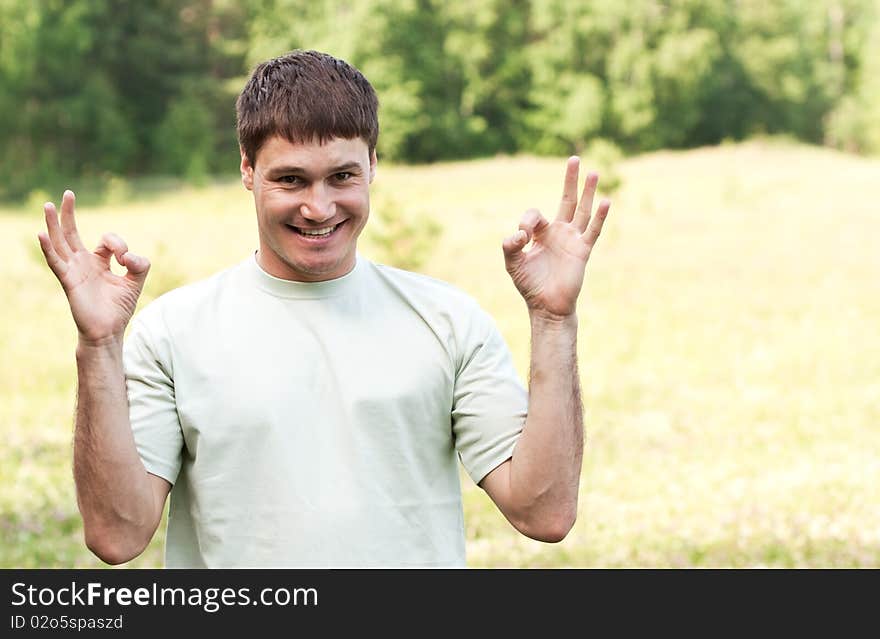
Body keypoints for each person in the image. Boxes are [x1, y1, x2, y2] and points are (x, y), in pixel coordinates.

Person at [37, 50, 611, 568]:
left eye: (342, 177)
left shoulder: (448, 321)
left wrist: (554, 318)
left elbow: (545, 514)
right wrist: (98, 344)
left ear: (373, 166)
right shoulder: (172, 332)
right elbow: (116, 535)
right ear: (246, 169)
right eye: (291, 179)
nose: (319, 207)